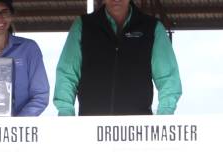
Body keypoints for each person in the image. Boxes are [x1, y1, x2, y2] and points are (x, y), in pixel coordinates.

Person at [53, 0, 182, 116]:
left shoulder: (152, 28)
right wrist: (66, 114)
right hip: (90, 129)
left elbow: (168, 78)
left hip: (137, 131)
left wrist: (164, 116)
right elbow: (67, 74)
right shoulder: (83, 26)